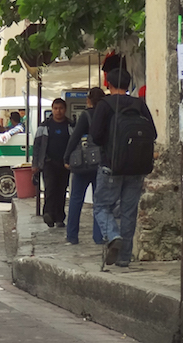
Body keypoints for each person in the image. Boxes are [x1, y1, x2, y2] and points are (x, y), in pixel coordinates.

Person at [90, 68, 156, 267]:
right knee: (129, 211)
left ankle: (112, 235)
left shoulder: (104, 105)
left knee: (101, 206)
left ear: (108, 84)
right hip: (137, 167)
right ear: (128, 84)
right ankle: (124, 257)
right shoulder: (139, 104)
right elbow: (152, 133)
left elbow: (96, 136)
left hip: (111, 165)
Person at [62, 87, 105, 246]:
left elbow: (74, 138)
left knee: (75, 199)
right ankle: (98, 237)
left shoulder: (86, 115)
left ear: (88, 101)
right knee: (99, 201)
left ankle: (72, 236)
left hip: (82, 164)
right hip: (101, 163)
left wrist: (66, 157)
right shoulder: (107, 116)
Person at [32, 98, 73, 228]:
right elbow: (37, 145)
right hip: (48, 163)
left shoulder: (71, 126)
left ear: (65, 109)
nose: (58, 111)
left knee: (61, 190)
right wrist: (35, 163)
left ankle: (60, 217)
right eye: (55, 108)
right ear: (52, 109)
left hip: (65, 164)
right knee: (50, 189)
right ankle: (48, 214)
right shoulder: (44, 126)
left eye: (60, 108)